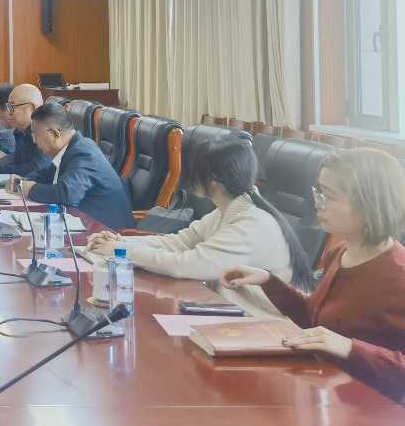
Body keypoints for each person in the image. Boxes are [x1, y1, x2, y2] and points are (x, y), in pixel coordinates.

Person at [221, 149, 405, 412]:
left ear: (369, 203)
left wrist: (351, 348)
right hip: (329, 395)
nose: (318, 204)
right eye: (318, 192)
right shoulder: (341, 251)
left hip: (376, 414)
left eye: (329, 197)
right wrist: (268, 281)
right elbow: (319, 322)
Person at [86, 135, 313, 316]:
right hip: (227, 311)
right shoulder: (226, 212)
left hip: (260, 326)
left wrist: (123, 251)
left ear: (213, 179)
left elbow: (185, 264)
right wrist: (120, 242)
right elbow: (178, 242)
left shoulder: (247, 227)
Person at [7, 101, 134, 230]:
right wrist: (24, 180)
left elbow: (67, 195)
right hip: (84, 225)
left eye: (36, 135)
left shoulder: (83, 154)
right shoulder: (71, 148)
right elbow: (49, 174)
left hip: (107, 233)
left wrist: (30, 189)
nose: (34, 141)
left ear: (55, 134)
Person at [0, 83, 51, 176]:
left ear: (32, 108)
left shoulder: (46, 132)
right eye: (8, 107)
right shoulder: (27, 132)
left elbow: (36, 168)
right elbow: (17, 157)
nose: (9, 113)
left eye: (13, 107)